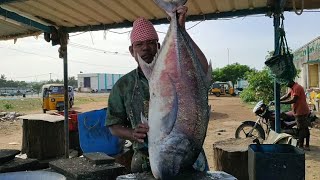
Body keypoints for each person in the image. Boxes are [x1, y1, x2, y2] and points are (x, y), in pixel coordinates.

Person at [105, 5, 209, 173]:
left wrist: (180, 29)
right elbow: (113, 125)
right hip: (145, 157)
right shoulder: (123, 85)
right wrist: (132, 133)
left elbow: (202, 70)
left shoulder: (179, 71)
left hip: (188, 155)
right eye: (139, 44)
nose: (145, 48)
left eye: (151, 43)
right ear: (132, 50)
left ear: (159, 46)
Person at [280, 80, 310, 151]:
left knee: (301, 129)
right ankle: (307, 145)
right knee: (305, 128)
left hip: (301, 111)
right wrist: (277, 100)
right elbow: (287, 95)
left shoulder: (297, 87)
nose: (286, 84)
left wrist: (280, 102)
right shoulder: (293, 87)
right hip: (299, 110)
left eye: (286, 82)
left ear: (290, 81)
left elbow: (294, 100)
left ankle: (301, 146)